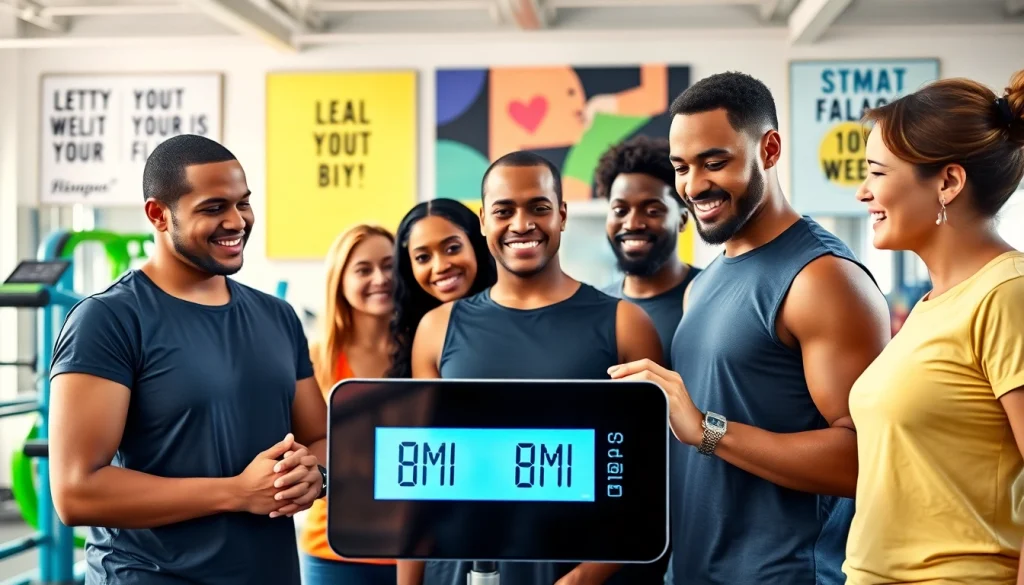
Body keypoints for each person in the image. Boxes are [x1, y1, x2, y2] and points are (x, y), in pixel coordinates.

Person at [608, 72, 892, 585]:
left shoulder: (823, 279)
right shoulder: (705, 282)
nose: (693, 186)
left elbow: (865, 461)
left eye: (714, 162)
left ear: (769, 148)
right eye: (681, 168)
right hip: (690, 571)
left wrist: (706, 431)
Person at [47, 134, 328, 585]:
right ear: (159, 214)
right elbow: (76, 491)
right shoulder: (108, 319)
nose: (237, 221)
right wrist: (237, 493)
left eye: (243, 203)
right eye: (214, 208)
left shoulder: (277, 316)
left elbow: (317, 436)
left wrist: (316, 476)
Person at [397, 151, 664, 585]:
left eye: (538, 208)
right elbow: (422, 487)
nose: (522, 224)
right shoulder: (437, 329)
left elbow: (647, 482)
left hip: (574, 566)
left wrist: (580, 579)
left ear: (561, 215)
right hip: (458, 567)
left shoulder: (624, 324)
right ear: (483, 220)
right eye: (504, 211)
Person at [843, 70, 1024, 585]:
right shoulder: (931, 304)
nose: (863, 192)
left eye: (877, 173)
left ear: (947, 182)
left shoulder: (1007, 294)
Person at [299, 224, 398, 584]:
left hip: (414, 548)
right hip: (333, 552)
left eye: (390, 265)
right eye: (364, 269)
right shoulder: (315, 359)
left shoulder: (423, 349)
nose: (380, 278)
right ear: (340, 279)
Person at [596, 135, 701, 363]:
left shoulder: (709, 296)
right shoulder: (595, 306)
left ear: (683, 220)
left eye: (653, 211)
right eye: (620, 210)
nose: (633, 224)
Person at [387, 198, 497, 378]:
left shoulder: (515, 311)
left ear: (476, 246)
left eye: (452, 248)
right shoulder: (416, 332)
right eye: (423, 258)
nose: (440, 266)